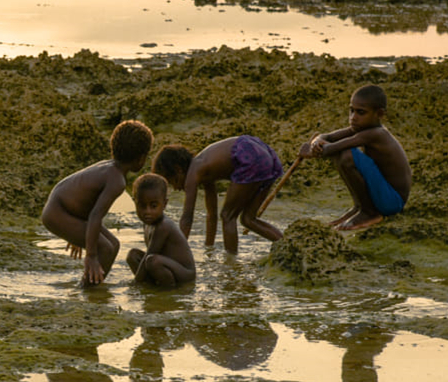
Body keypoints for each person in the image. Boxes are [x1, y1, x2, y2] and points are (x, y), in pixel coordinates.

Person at [41, 119, 154, 287]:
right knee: (105, 249)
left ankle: (94, 284)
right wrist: (91, 255)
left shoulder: (109, 168)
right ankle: (87, 289)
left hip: (66, 209)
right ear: (141, 159)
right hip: (58, 213)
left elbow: (84, 200)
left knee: (114, 244)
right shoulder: (117, 181)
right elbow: (95, 216)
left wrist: (77, 232)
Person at [298, 84, 411, 231]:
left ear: (380, 114)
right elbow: (327, 137)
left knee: (347, 154)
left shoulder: (377, 134)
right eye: (351, 111)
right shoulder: (361, 129)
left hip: (392, 201)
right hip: (382, 195)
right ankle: (359, 207)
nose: (353, 118)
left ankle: (369, 213)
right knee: (343, 153)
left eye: (361, 112)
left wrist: (314, 150)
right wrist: (316, 142)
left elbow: (332, 148)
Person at [152, 134, 283, 254]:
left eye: (171, 182)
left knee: (228, 216)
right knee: (248, 219)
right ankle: (285, 243)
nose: (175, 188)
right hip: (264, 154)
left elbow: (187, 218)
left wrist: (176, 253)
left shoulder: (193, 173)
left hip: (248, 154)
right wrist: (209, 248)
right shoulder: (204, 170)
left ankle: (231, 264)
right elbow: (211, 215)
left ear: (178, 170)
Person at [125, 174, 195, 287]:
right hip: (165, 266)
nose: (147, 211)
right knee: (132, 255)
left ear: (164, 204)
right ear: (135, 203)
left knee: (153, 261)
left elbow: (150, 255)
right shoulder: (147, 222)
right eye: (142, 206)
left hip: (184, 274)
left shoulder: (163, 226)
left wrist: (134, 285)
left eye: (153, 206)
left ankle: (168, 291)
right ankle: (149, 286)